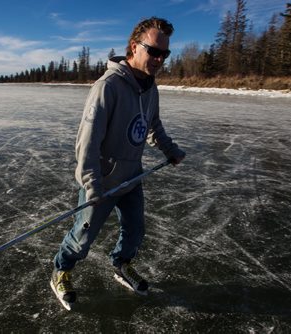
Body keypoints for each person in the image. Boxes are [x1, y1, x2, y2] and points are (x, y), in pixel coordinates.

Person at [50, 17, 185, 306]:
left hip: (132, 176)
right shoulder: (108, 86)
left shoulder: (150, 87)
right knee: (82, 237)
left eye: (165, 54)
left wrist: (169, 149)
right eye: (154, 51)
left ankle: (121, 265)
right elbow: (87, 140)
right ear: (134, 47)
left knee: (135, 231)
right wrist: (92, 184)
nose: (160, 59)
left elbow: (152, 126)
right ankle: (61, 270)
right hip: (102, 179)